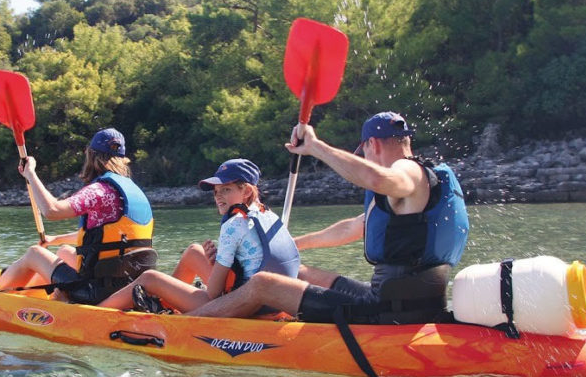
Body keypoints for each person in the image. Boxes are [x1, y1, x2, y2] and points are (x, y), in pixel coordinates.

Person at [187, 112, 469, 324]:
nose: (366, 157)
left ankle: (187, 324)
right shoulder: (418, 189)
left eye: (365, 151)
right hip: (406, 301)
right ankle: (246, 311)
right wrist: (291, 244)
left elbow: (374, 177)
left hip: (387, 311)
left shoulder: (406, 172)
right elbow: (350, 228)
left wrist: (315, 146)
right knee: (297, 272)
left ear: (373, 144)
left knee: (263, 282)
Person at [97, 158, 300, 314]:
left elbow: (212, 293)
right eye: (216, 191)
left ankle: (96, 313)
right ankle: (167, 305)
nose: (218, 196)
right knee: (195, 251)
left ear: (246, 191)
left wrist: (218, 268)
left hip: (240, 305)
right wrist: (221, 260)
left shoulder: (234, 224)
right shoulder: (267, 214)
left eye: (226, 189)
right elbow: (254, 258)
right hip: (267, 301)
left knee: (150, 278)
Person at [0, 128, 157, 305]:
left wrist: (30, 173)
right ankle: (32, 298)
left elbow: (52, 210)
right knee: (65, 252)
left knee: (34, 254)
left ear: (91, 156)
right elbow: (107, 240)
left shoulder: (99, 191)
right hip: (129, 288)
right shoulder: (135, 193)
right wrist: (56, 239)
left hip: (96, 291)